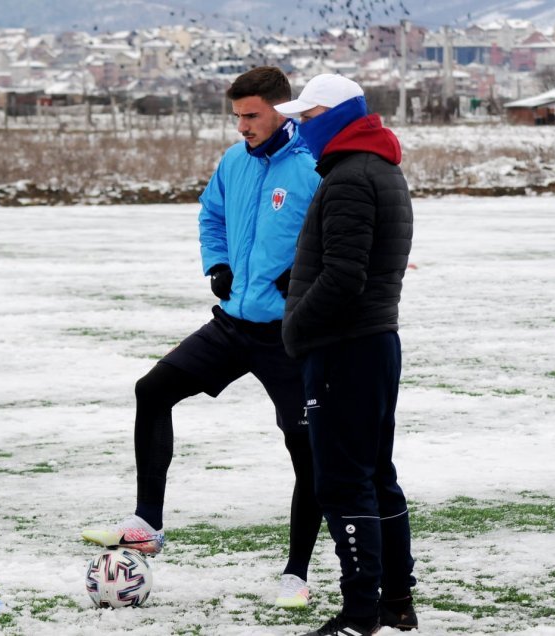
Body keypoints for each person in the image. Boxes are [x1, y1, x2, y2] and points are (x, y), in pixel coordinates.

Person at [82, 66, 323, 608]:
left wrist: (305, 277)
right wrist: (216, 262)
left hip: (290, 336)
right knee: (153, 390)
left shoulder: (313, 165)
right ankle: (147, 523)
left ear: (282, 110)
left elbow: (345, 234)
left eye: (252, 115)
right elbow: (210, 216)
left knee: (305, 449)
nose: (242, 126)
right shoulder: (234, 162)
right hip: (233, 325)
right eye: (236, 115)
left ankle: (296, 574)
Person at [273, 74, 417, 635]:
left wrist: (296, 328)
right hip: (373, 343)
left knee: (342, 482)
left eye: (307, 118)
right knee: (376, 474)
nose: (299, 127)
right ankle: (395, 603)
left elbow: (344, 277)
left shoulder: (352, 176)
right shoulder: (373, 167)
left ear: (336, 116)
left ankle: (361, 614)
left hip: (344, 348)